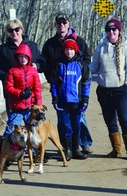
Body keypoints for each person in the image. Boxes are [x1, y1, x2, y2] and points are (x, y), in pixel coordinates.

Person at [42, 13, 93, 154]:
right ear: (55, 25)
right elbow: (45, 63)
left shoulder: (79, 41)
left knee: (79, 120)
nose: (62, 25)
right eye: (59, 23)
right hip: (60, 88)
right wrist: (52, 79)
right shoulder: (50, 44)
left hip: (76, 90)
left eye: (64, 23)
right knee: (63, 121)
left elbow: (87, 59)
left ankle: (84, 143)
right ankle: (65, 147)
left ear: (68, 24)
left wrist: (81, 70)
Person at [90, 18, 127, 160]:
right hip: (104, 91)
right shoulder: (100, 47)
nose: (111, 32)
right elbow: (94, 67)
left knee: (124, 119)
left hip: (121, 90)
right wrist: (81, 68)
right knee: (110, 121)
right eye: (109, 30)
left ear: (119, 31)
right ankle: (116, 150)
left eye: (114, 30)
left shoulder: (126, 47)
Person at [0, 19, 45, 118]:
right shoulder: (4, 49)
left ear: (22, 29)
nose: (14, 32)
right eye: (10, 30)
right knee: (13, 124)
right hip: (13, 94)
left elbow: (42, 62)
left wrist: (37, 66)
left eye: (17, 29)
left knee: (31, 124)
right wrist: (8, 77)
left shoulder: (32, 46)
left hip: (31, 95)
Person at [50, 39, 91, 160]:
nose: (69, 52)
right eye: (67, 49)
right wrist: (55, 98)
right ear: (64, 50)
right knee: (66, 127)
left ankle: (76, 149)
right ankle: (67, 150)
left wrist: (85, 99)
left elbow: (86, 83)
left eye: (72, 49)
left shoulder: (81, 65)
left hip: (77, 102)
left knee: (76, 126)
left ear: (75, 50)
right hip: (63, 102)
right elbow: (53, 83)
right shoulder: (59, 65)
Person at [3, 43, 42, 136]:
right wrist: (20, 93)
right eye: (21, 56)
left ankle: (31, 149)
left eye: (25, 56)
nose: (23, 58)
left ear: (29, 57)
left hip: (30, 108)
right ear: (17, 58)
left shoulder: (33, 71)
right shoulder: (12, 71)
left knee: (33, 130)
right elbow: (8, 87)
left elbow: (37, 88)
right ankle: (6, 148)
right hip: (17, 107)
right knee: (11, 129)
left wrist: (38, 104)